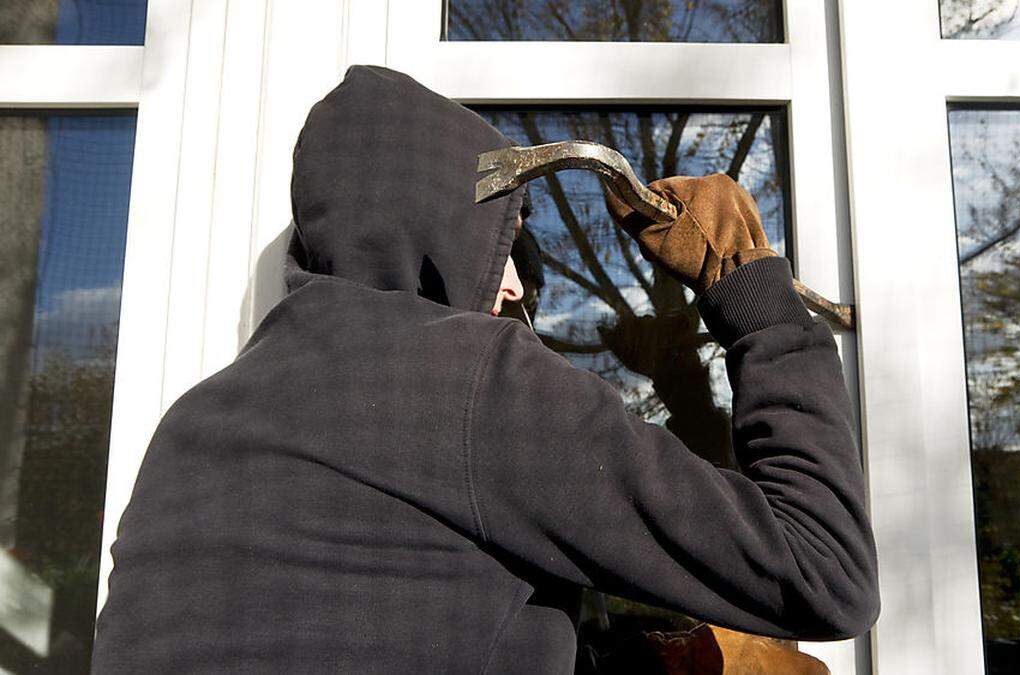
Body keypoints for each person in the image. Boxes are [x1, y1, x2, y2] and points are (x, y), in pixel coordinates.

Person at [92, 65, 879, 673]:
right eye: (503, 243)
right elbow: (823, 569)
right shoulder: (456, 378)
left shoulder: (195, 422)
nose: (515, 284)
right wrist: (759, 306)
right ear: (431, 227)